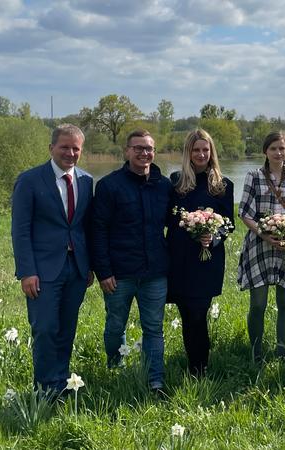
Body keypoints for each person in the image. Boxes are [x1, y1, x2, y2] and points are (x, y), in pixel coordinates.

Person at [11, 124, 94, 396]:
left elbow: (86, 226)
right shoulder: (30, 180)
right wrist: (26, 272)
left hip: (77, 268)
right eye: (64, 147)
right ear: (51, 148)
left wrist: (90, 265)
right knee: (46, 328)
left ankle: (62, 383)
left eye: (75, 148)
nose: (70, 153)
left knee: (67, 328)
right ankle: (46, 389)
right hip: (43, 270)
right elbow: (20, 230)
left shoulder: (86, 181)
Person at [90, 130, 171, 393]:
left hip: (155, 272)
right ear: (126, 151)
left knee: (154, 328)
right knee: (115, 326)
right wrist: (103, 271)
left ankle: (154, 380)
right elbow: (98, 230)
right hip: (119, 273)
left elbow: (176, 223)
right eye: (138, 148)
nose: (144, 153)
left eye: (149, 148)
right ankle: (116, 368)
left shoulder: (164, 185)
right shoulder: (109, 186)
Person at [237, 130, 285, 363]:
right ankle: (256, 353)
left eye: (282, 148)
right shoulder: (254, 176)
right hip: (259, 245)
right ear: (265, 152)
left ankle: (282, 351)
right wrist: (264, 234)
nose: (278, 152)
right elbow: (244, 213)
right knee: (258, 303)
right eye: (273, 148)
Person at [167, 129, 235, 377]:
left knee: (199, 313)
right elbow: (169, 219)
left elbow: (229, 224)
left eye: (205, 150)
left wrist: (212, 237)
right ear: (188, 153)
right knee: (187, 314)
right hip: (181, 258)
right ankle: (192, 365)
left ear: (211, 152)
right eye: (196, 150)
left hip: (207, 260)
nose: (201, 154)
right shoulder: (176, 182)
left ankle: (201, 368)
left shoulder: (223, 185)